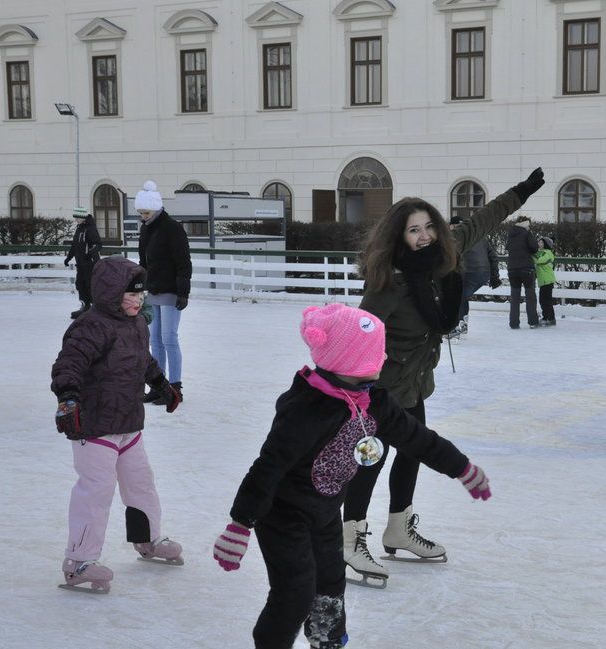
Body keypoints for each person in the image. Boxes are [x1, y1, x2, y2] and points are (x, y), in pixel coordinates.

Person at [212, 304, 492, 649]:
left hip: (326, 512)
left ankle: (327, 641)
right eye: (369, 364)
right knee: (295, 593)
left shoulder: (373, 401)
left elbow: (418, 439)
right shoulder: (306, 409)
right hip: (283, 516)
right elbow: (268, 467)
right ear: (342, 363)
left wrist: (461, 467)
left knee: (330, 585)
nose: (378, 367)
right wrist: (240, 524)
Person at [343, 168, 544, 580]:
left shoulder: (442, 259)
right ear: (398, 236)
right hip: (380, 390)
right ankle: (349, 539)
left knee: (413, 452)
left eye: (428, 226)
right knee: (371, 460)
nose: (424, 236)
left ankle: (398, 527)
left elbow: (485, 218)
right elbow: (356, 337)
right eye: (414, 230)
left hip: (415, 385)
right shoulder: (388, 283)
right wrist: (350, 390)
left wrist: (522, 190)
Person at [50, 256, 183, 594]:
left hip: (127, 423)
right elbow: (69, 364)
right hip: (94, 426)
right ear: (110, 293)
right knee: (95, 491)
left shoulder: (136, 323)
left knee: (141, 483)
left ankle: (147, 539)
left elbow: (144, 360)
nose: (137, 300)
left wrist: (163, 386)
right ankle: (78, 561)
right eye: (130, 295)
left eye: (140, 295)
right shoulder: (90, 326)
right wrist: (68, 400)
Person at [136, 180, 192, 404]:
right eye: (140, 212)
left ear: (156, 208)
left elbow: (183, 261)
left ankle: (175, 388)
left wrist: (183, 291)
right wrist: (140, 286)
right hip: (153, 290)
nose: (143, 216)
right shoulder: (146, 229)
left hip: (170, 290)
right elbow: (143, 261)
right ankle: (158, 386)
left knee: (169, 338)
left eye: (146, 212)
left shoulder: (173, 229)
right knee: (155, 340)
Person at [448, 215, 502, 337]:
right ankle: (462, 323)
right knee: (461, 296)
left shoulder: (455, 237)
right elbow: (493, 256)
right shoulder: (478, 235)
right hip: (483, 273)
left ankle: (458, 325)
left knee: (457, 296)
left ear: (452, 226)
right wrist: (494, 276)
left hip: (470, 272)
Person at [64, 207, 102, 319]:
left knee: (90, 285)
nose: (75, 220)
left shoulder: (90, 229)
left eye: (77, 217)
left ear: (82, 217)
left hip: (90, 264)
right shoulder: (79, 228)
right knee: (80, 284)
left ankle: (95, 307)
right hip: (80, 263)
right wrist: (68, 257)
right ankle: (85, 306)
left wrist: (90, 254)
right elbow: (74, 245)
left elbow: (98, 244)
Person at [506, 214, 540, 329]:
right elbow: (534, 247)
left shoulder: (510, 234)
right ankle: (533, 322)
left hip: (512, 269)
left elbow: (508, 248)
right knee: (530, 296)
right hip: (526, 269)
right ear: (527, 224)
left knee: (515, 297)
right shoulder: (527, 233)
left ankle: (514, 323)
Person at [534, 236, 557, 326]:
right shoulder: (541, 252)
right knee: (544, 300)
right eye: (539, 242)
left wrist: (530, 255)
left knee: (545, 300)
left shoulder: (548, 253)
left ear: (546, 245)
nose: (539, 244)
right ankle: (549, 318)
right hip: (543, 281)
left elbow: (539, 260)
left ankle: (549, 318)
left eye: (541, 242)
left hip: (547, 280)